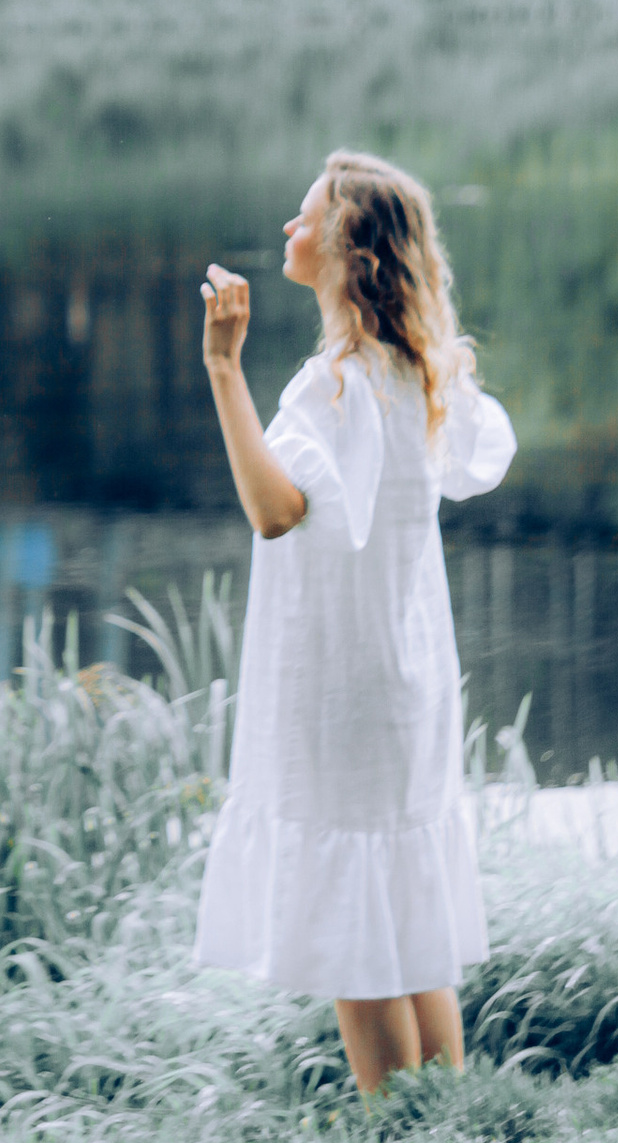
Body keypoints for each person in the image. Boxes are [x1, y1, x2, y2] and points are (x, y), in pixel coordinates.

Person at [191, 149, 516, 1094]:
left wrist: (222, 367)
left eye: (304, 217)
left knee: (350, 912)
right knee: (404, 900)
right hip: (409, 675)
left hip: (344, 686)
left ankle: (391, 1123)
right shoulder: (421, 372)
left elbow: (273, 509)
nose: (288, 230)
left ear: (344, 247)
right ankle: (443, 1113)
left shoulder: (330, 385)